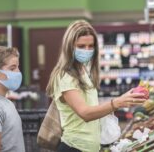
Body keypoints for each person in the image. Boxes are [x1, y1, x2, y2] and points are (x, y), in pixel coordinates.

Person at [46, 20, 146, 152]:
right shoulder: (65, 76)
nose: (87, 50)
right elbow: (85, 113)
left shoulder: (83, 72)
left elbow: (91, 107)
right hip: (73, 148)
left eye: (90, 46)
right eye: (81, 46)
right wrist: (116, 103)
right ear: (69, 47)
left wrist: (124, 99)